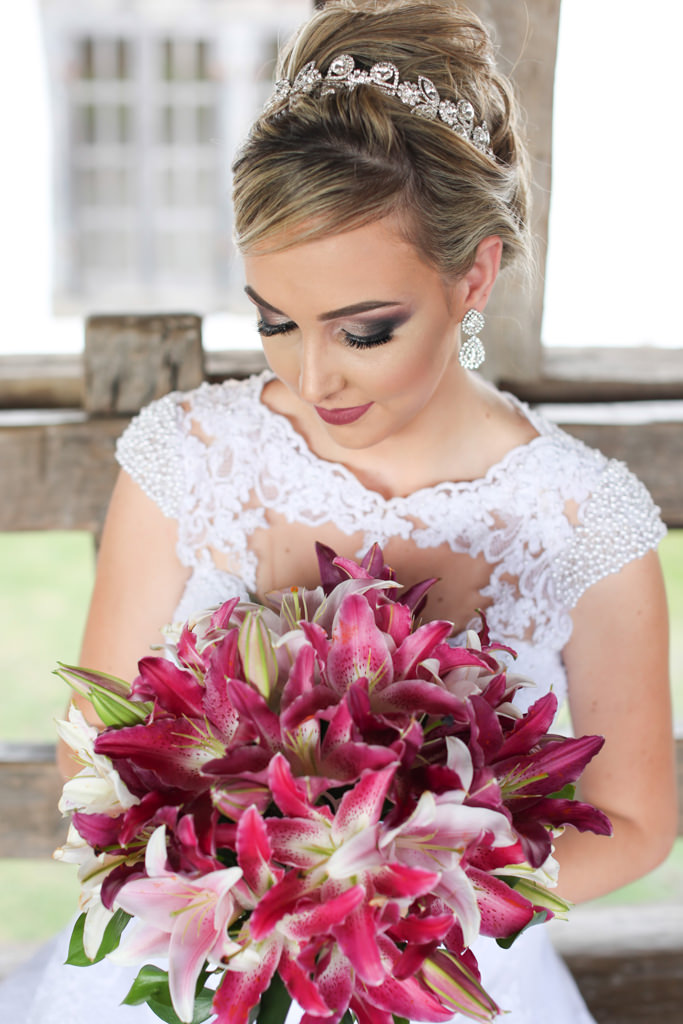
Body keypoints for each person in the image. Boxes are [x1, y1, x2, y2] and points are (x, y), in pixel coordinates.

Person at [3, 1, 676, 1021]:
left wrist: (402, 896)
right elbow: (87, 741)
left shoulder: (584, 523)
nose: (313, 374)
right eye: (274, 320)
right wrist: (245, 876)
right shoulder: (187, 457)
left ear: (472, 274)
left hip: (445, 973)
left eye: (363, 330)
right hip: (210, 950)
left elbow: (632, 818)